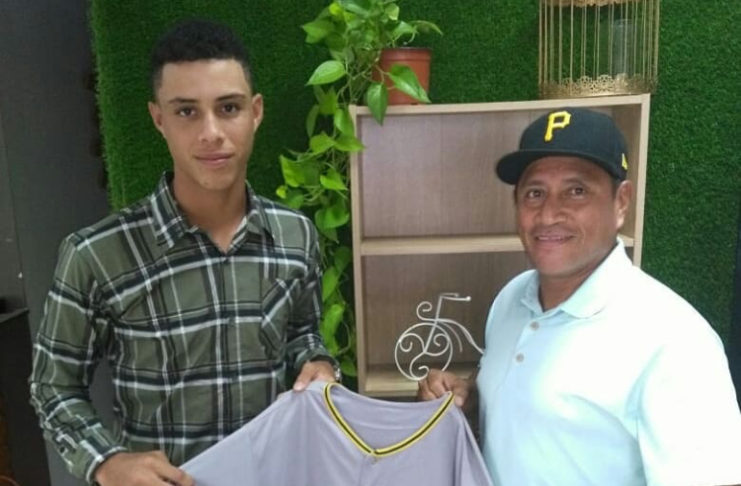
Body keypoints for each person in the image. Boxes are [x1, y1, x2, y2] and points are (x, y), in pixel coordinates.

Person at [29, 20, 339, 486]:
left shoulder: (296, 236)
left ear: (255, 112)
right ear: (159, 119)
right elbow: (53, 385)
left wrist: (317, 363)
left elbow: (301, 334)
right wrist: (106, 462)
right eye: (187, 112)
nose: (211, 132)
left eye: (228, 108)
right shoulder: (95, 255)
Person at [418, 107, 741, 486]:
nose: (549, 214)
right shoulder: (512, 298)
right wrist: (468, 401)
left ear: (621, 202)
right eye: (535, 193)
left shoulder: (676, 343)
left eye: (577, 191)